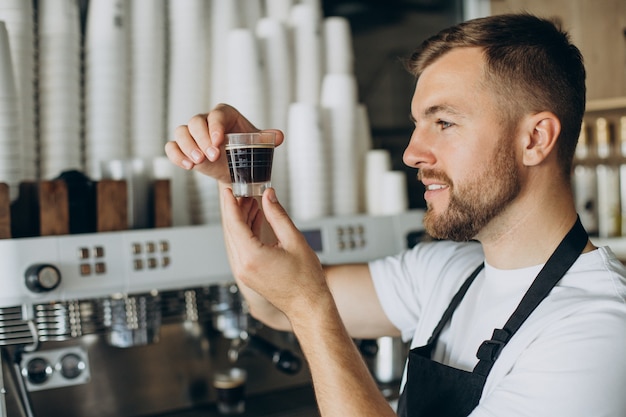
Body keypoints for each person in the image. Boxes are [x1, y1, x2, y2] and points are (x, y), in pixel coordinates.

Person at [165, 13, 626, 417]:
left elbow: (298, 305)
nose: (411, 153)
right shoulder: (445, 273)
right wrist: (240, 177)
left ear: (535, 140)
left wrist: (311, 307)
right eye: (416, 124)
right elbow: (271, 305)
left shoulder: (598, 330)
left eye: (443, 122)